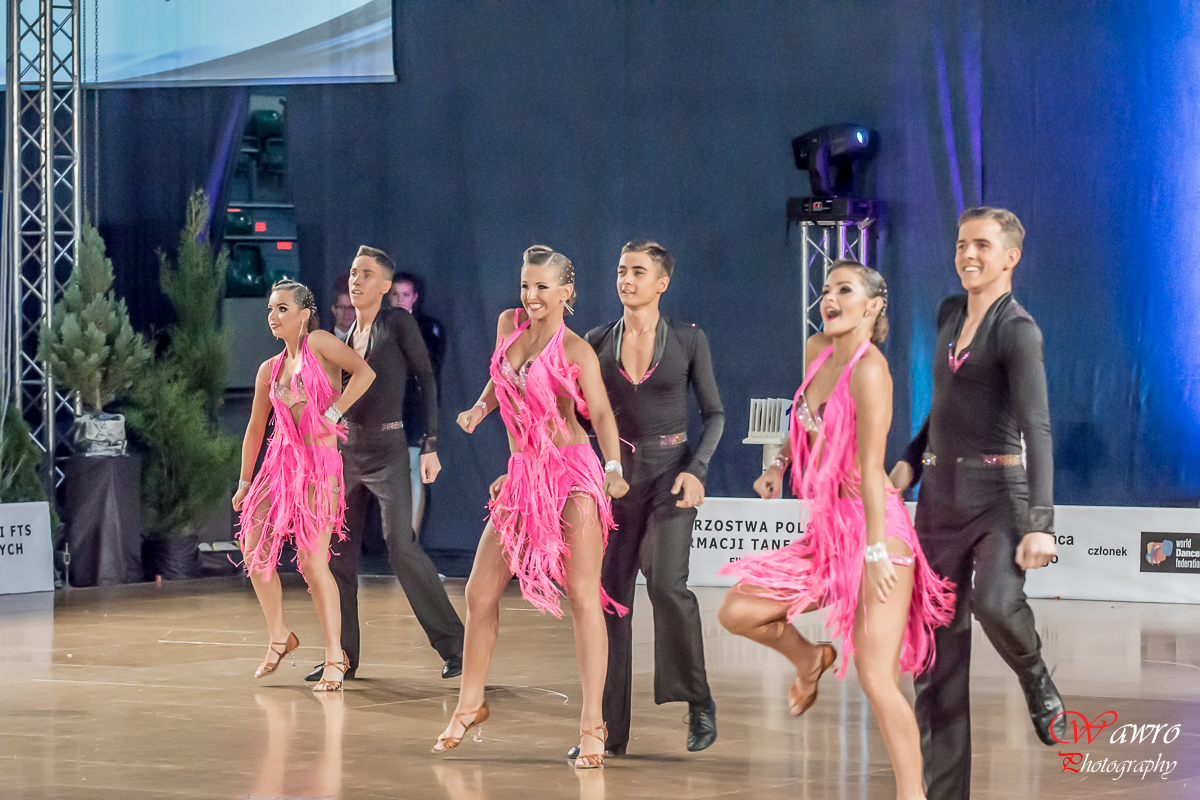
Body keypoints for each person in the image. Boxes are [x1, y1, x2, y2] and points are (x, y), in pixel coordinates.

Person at [718, 260, 955, 800]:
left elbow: (871, 469)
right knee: (738, 610)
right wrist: (779, 463)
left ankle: (912, 794)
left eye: (844, 290)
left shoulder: (871, 371)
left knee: (876, 678)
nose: (829, 299)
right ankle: (810, 658)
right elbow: (803, 418)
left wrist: (874, 550)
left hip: (876, 530)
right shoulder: (817, 350)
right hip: (827, 533)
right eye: (826, 290)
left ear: (873, 306)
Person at [890, 207, 1065, 799]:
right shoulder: (948, 312)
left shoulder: (1018, 330)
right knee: (935, 653)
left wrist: (1041, 523)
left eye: (983, 246)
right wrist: (911, 458)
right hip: (938, 500)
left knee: (994, 603)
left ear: (1011, 257)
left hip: (998, 498)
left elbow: (1037, 426)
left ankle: (1035, 677)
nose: (968, 254)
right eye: (963, 243)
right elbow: (942, 407)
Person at [432, 245, 629, 769]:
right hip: (523, 475)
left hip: (572, 473)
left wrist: (613, 469)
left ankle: (593, 725)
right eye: (525, 285)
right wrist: (479, 408)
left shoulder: (575, 350)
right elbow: (500, 381)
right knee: (479, 592)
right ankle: (470, 704)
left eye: (542, 286)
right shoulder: (509, 325)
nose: (531, 295)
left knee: (582, 596)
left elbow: (601, 414)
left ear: (566, 291)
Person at [577, 241, 724, 757]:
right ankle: (607, 730)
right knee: (609, 600)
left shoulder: (687, 339)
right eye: (622, 270)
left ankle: (698, 700)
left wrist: (697, 470)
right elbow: (577, 415)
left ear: (662, 282)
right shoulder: (596, 341)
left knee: (666, 584)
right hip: (616, 481)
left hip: (671, 477)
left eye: (638, 272)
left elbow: (714, 414)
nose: (627, 279)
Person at [306, 246, 465, 683]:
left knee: (400, 545)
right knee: (338, 554)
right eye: (353, 273)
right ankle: (342, 656)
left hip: (389, 449)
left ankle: (457, 647)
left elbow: (426, 376)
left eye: (366, 274)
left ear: (385, 285)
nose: (356, 280)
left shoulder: (397, 323)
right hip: (348, 451)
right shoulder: (344, 336)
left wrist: (431, 443)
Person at [233, 279, 376, 692]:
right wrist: (244, 482)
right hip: (278, 466)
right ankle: (279, 635)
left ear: (304, 313)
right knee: (253, 548)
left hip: (318, 466)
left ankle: (335, 656)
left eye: (282, 308)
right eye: (270, 309)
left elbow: (365, 373)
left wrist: (334, 411)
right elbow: (255, 428)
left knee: (313, 563)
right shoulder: (269, 369)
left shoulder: (320, 342)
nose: (273, 316)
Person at [390, 271, 446, 535]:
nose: (400, 300)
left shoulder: (428, 327)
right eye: (395, 294)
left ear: (415, 297)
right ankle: (393, 540)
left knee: (413, 471)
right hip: (385, 409)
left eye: (405, 294)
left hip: (415, 408)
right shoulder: (377, 325)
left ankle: (409, 541)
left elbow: (427, 368)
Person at [330, 274, 354, 341]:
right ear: (333, 309)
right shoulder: (322, 341)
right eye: (342, 307)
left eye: (351, 307)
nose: (346, 312)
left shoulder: (366, 342)